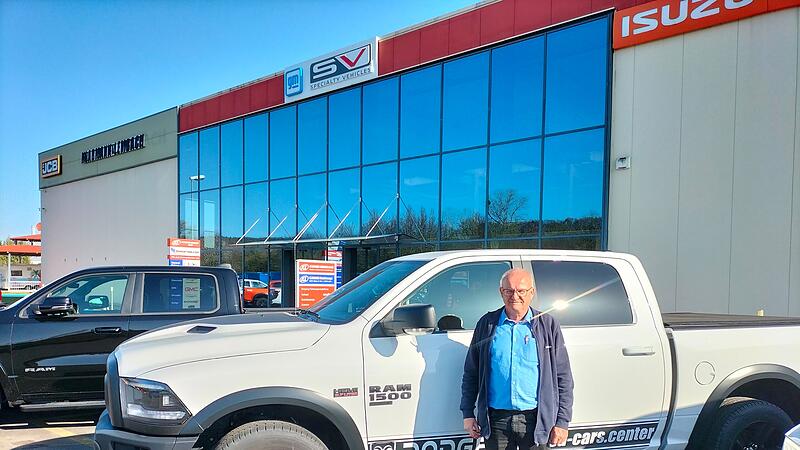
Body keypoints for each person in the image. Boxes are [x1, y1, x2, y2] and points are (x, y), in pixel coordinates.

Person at [460, 268, 573, 449]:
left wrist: (562, 421)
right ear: (501, 292)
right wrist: (468, 413)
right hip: (496, 421)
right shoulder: (487, 325)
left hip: (536, 421)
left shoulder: (548, 325)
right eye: (509, 291)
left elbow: (563, 377)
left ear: (531, 292)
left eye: (521, 291)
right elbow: (471, 372)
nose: (515, 296)